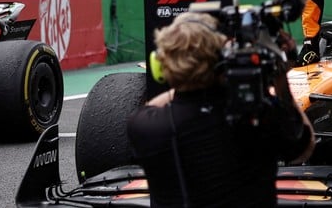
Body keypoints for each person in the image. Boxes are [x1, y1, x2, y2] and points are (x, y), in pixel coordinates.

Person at [127, 13, 314, 208]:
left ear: (161, 64)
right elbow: (303, 148)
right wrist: (280, 81)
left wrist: (185, 77)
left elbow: (166, 101)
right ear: (223, 60)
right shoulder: (257, 116)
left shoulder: (143, 126)